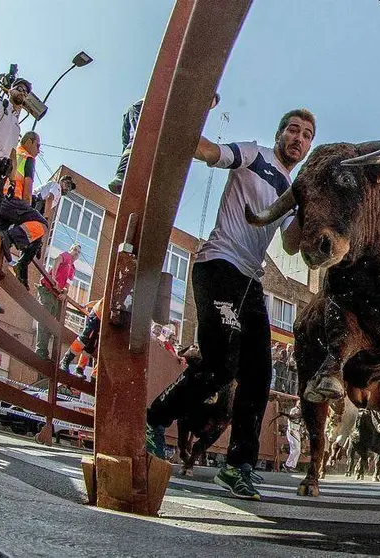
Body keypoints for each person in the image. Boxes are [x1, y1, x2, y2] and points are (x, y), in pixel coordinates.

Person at [145, 108, 315, 501]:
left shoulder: (291, 191)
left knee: (259, 374)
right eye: (293, 129)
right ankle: (154, 419)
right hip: (219, 264)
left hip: (250, 283)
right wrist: (187, 116)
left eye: (306, 135)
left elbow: (291, 244)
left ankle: (239, 467)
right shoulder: (254, 154)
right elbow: (209, 151)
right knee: (224, 364)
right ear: (279, 134)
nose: (298, 139)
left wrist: (311, 207)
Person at [109, 93, 220, 194]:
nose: (205, 109)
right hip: (144, 108)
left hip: (151, 116)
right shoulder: (188, 98)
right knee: (139, 140)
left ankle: (130, 182)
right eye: (207, 104)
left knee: (143, 149)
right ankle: (122, 175)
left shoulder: (190, 110)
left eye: (209, 108)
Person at [0, 78, 30, 306]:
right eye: (19, 87)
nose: (22, 91)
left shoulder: (17, 126)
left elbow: (12, 153)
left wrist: (11, 181)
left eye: (26, 91)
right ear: (11, 90)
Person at [0, 131, 49, 289]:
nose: (39, 150)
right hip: (14, 200)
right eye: (38, 146)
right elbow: (27, 191)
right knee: (42, 224)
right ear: (30, 142)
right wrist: (27, 209)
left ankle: (3, 240)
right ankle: (10, 239)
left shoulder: (11, 150)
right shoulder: (28, 158)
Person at [36, 243, 80, 359]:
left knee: (50, 323)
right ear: (70, 250)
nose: (76, 253)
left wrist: (64, 294)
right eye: (75, 250)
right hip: (48, 290)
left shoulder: (73, 268)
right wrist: (54, 279)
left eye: (78, 252)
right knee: (44, 319)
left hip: (56, 295)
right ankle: (40, 350)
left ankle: (43, 352)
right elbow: (57, 261)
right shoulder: (66, 256)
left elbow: (67, 284)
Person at [60, 299, 103, 379]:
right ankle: (66, 360)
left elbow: (97, 301)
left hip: (101, 319)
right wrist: (86, 305)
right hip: (96, 315)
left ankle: (79, 369)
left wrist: (87, 305)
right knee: (84, 338)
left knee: (91, 346)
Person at [284, 399, 302, 473]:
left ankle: (292, 466)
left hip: (297, 431)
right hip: (292, 430)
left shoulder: (302, 412)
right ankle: (287, 464)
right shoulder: (294, 410)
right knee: (296, 449)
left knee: (297, 450)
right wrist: (290, 428)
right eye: (299, 403)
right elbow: (291, 419)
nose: (300, 405)